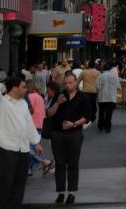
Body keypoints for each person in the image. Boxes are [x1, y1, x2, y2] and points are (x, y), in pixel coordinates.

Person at [0, 74, 43, 209]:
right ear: (14, 88)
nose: (26, 89)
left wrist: (36, 142)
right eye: (23, 87)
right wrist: (6, 85)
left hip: (23, 148)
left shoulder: (23, 103)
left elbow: (29, 124)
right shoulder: (0, 102)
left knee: (19, 183)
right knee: (5, 181)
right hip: (5, 147)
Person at [47, 69, 89, 203]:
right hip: (57, 134)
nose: (68, 86)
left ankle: (72, 192)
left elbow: (87, 117)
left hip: (74, 133)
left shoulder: (83, 97)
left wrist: (74, 124)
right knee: (59, 164)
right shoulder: (59, 95)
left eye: (70, 83)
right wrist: (58, 103)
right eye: (65, 83)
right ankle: (60, 192)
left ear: (76, 82)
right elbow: (49, 114)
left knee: (73, 163)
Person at [25, 79, 53, 177]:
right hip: (40, 124)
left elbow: (28, 110)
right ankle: (28, 169)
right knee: (34, 146)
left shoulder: (30, 97)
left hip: (32, 125)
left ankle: (45, 161)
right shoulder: (40, 97)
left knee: (29, 147)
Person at [97, 63, 120, 134]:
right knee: (109, 113)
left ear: (103, 68)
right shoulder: (114, 76)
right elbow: (118, 86)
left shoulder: (101, 76)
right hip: (111, 97)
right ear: (110, 68)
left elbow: (98, 86)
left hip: (102, 97)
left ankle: (100, 126)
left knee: (101, 112)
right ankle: (107, 127)